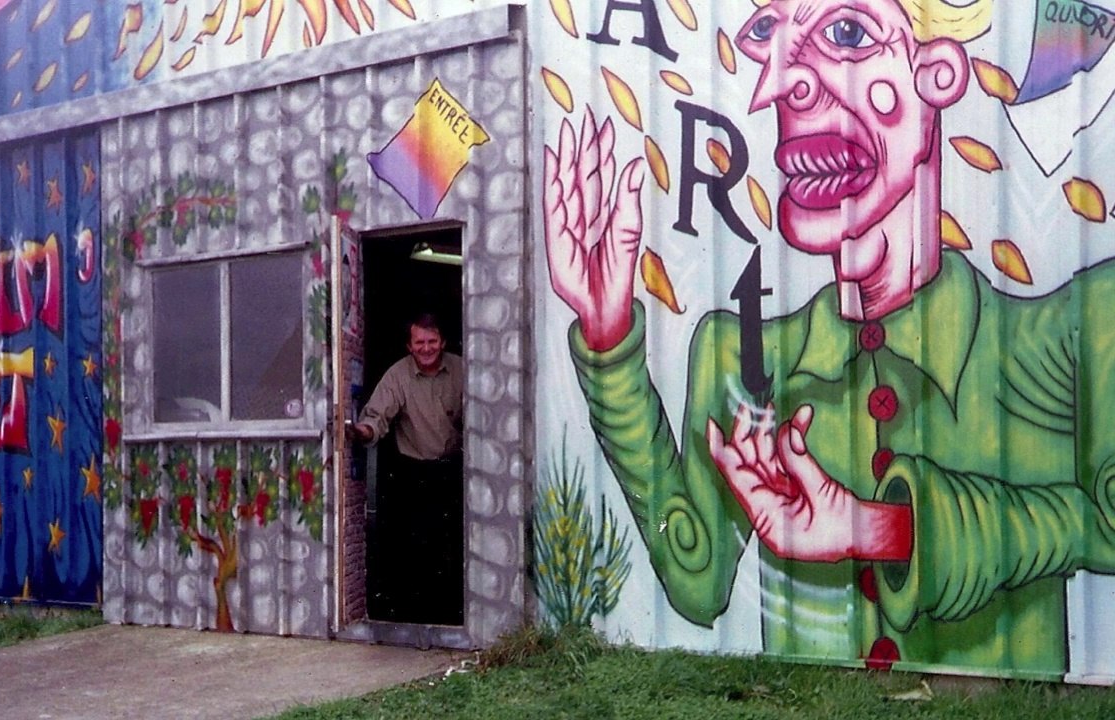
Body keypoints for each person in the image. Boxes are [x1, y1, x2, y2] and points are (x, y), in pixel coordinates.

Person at [545, 0, 1115, 677]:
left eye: (847, 33)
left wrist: (879, 531)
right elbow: (696, 580)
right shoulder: (744, 357)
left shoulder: (1064, 338)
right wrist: (608, 338)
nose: (785, 80)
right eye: (768, 35)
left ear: (934, 77)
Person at [351, 313, 463, 624]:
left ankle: (451, 616)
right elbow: (376, 415)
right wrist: (362, 432)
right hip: (412, 475)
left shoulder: (462, 369)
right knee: (413, 551)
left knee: (453, 546)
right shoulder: (397, 375)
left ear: (442, 342)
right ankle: (414, 618)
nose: (426, 348)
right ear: (409, 346)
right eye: (419, 343)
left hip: (453, 471)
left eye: (432, 341)